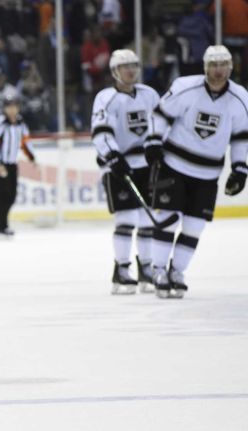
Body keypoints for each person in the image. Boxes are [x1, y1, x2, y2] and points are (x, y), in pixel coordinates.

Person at [147, 45, 248, 299]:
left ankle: (177, 272)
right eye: (213, 65)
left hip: (208, 174)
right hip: (175, 166)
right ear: (205, 67)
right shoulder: (184, 87)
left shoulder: (241, 98)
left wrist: (240, 167)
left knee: (194, 227)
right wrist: (154, 142)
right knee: (168, 219)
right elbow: (160, 115)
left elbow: (240, 137)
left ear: (231, 67)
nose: (218, 71)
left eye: (223, 65)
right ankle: (158, 270)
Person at [91, 49, 161, 295]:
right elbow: (100, 131)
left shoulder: (149, 95)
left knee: (146, 220)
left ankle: (146, 269)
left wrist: (158, 147)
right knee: (125, 220)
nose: (130, 70)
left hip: (146, 165)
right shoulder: (106, 98)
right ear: (114, 72)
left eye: (134, 65)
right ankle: (121, 271)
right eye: (124, 67)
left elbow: (161, 124)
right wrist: (112, 155)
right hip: (118, 166)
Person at [0, 95, 35, 237]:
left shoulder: (21, 123)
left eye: (14, 106)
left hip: (12, 164)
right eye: (9, 107)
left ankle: (1, 224)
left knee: (12, 195)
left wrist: (32, 156)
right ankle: (1, 225)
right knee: (3, 195)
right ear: (4, 108)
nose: (12, 110)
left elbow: (26, 141)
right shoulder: (0, 124)